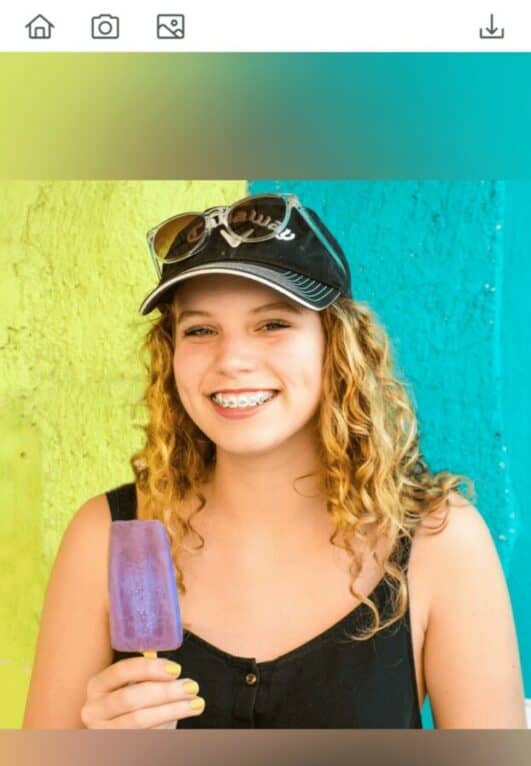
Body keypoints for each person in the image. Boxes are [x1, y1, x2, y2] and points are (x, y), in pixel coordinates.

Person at [23, 193, 526, 729]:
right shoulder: (104, 537)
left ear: (337, 345)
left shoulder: (439, 543)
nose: (232, 359)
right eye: (200, 329)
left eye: (273, 324)